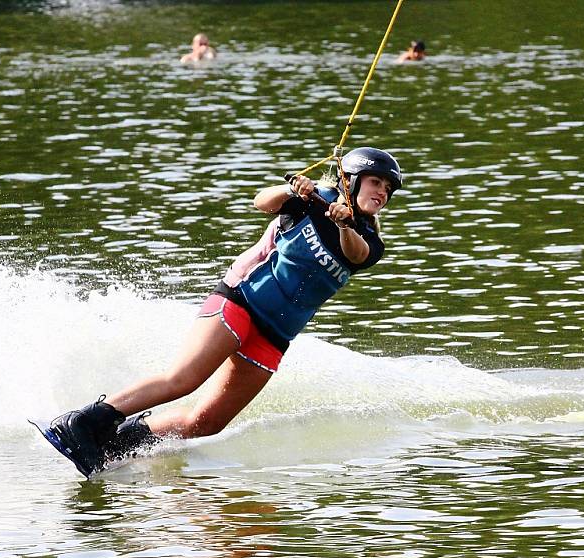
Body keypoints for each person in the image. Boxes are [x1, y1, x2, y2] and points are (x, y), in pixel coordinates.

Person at [44, 147, 403, 477]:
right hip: (241, 300)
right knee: (184, 380)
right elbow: (262, 202)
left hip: (275, 335)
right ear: (351, 181)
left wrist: (342, 222)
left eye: (388, 188)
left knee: (207, 422)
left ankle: (119, 444)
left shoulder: (369, 241)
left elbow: (354, 254)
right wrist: (295, 191)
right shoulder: (310, 203)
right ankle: (83, 422)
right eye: (376, 182)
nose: (382, 192)